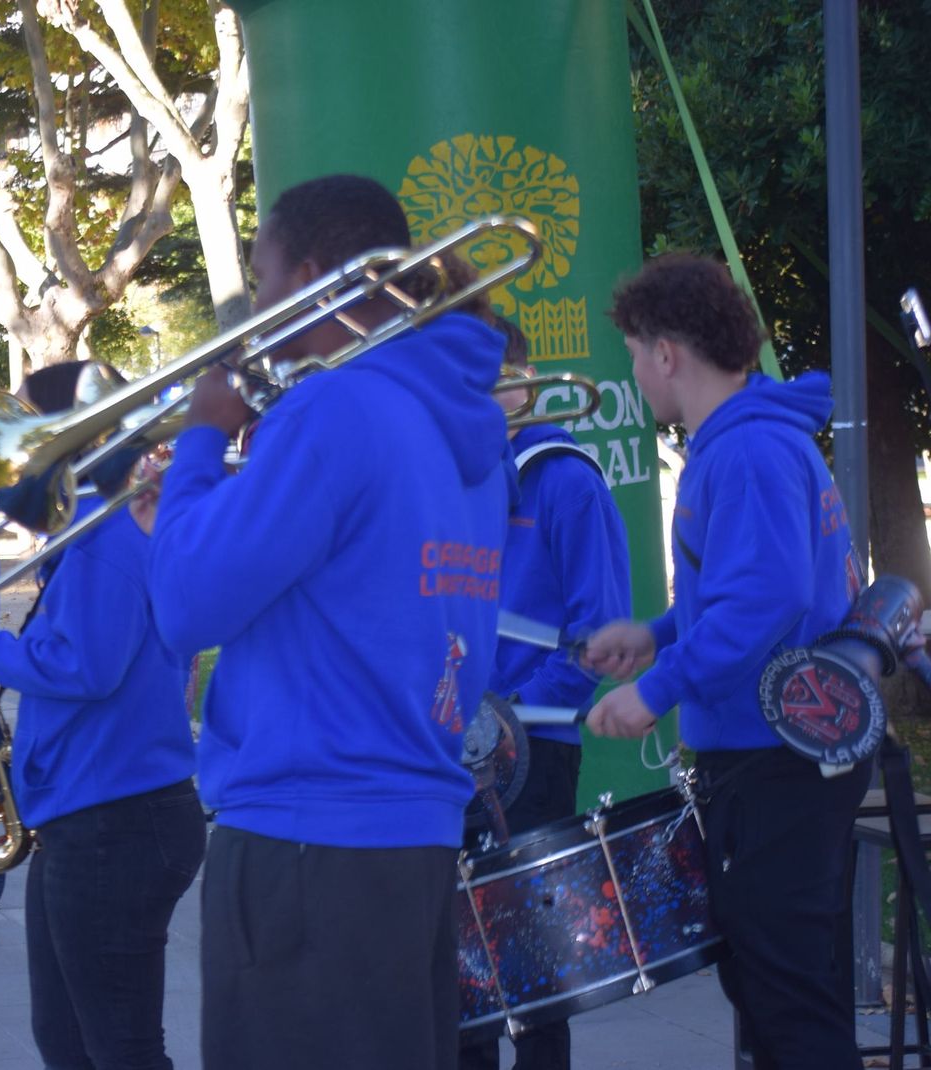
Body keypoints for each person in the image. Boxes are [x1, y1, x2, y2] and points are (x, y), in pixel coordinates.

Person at [145, 174, 511, 1070]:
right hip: (411, 835)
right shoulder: (467, 426)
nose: (254, 313)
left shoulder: (333, 408)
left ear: (310, 276)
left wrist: (199, 446)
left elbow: (186, 608)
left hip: (306, 835)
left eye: (262, 283)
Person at [582, 253, 869, 1070]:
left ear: (666, 352)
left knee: (786, 999)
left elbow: (766, 599)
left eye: (636, 355)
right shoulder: (751, 442)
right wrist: (660, 635)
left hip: (776, 756)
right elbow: (749, 586)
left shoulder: (744, 454)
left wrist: (659, 688)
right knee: (773, 986)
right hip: (780, 749)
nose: (636, 374)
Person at [0, 361, 206, 1070]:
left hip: (114, 820)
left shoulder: (104, 538)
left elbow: (81, 668)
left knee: (117, 1049)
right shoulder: (97, 534)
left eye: (32, 429)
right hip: (99, 815)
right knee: (70, 1043)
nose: (19, 459)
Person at [459, 324, 632, 1070]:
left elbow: (602, 633)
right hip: (454, 754)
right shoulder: (458, 477)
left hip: (533, 754)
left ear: (526, 381)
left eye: (488, 379)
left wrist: (507, 721)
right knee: (461, 977)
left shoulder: (565, 479)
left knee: (529, 979)